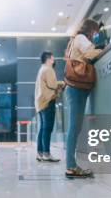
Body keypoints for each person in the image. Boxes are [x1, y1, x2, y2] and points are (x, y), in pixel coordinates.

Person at [64, 19, 102, 178]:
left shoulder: (74, 40)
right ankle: (71, 167)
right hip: (76, 88)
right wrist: (102, 49)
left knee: (76, 127)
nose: (95, 34)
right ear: (90, 29)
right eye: (95, 31)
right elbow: (89, 53)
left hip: (74, 88)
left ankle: (71, 165)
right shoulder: (80, 38)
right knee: (74, 127)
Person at [34, 51, 64, 162]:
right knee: (47, 128)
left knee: (42, 128)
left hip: (40, 102)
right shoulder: (48, 69)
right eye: (53, 58)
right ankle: (46, 154)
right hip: (48, 101)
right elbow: (53, 84)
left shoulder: (41, 70)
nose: (54, 59)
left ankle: (40, 153)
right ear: (48, 59)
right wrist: (63, 83)